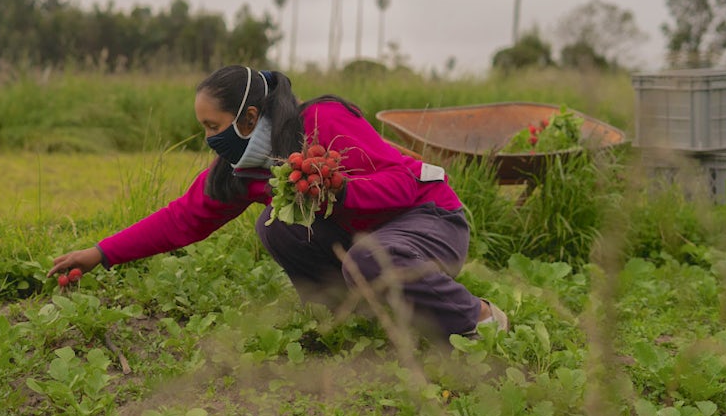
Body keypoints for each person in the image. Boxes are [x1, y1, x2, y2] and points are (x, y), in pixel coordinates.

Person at [48, 64, 508, 342]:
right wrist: (101, 254)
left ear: (250, 116)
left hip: (430, 218)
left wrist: (340, 189)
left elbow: (403, 183)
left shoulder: (323, 120)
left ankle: (480, 319)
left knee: (366, 258)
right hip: (376, 237)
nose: (210, 138)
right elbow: (183, 218)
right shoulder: (245, 169)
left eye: (214, 126)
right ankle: (361, 317)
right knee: (276, 223)